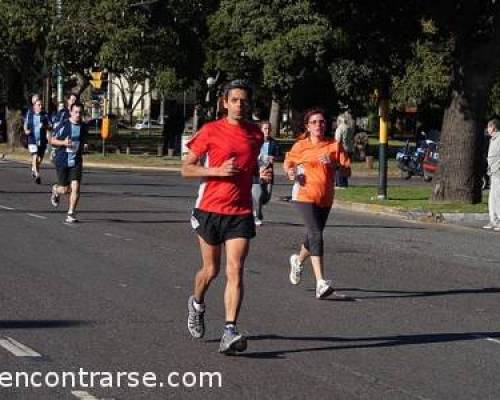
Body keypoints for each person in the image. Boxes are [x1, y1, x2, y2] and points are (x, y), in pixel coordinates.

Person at [181, 80, 272, 354]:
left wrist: (261, 175)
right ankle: (197, 303)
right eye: (234, 100)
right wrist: (218, 171)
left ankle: (229, 331)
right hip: (210, 209)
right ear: (225, 103)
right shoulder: (210, 130)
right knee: (211, 271)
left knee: (236, 269)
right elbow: (186, 169)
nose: (239, 105)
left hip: (240, 212)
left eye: (244, 100)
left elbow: (248, 168)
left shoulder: (256, 134)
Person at [284, 108, 350, 299]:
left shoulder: (334, 146)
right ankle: (320, 282)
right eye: (313, 122)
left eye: (321, 122)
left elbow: (347, 172)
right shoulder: (300, 146)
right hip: (303, 196)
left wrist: (333, 164)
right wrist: (290, 172)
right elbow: (289, 164)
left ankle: (298, 260)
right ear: (307, 126)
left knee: (313, 236)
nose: (318, 125)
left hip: (325, 198)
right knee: (316, 233)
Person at [49, 103, 87, 224]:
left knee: (76, 187)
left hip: (76, 160)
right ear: (70, 112)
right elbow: (52, 140)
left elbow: (84, 141)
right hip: (62, 160)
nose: (78, 115)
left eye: (80, 112)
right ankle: (55, 190)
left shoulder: (84, 127)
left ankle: (71, 213)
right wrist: (63, 143)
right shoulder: (64, 124)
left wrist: (84, 146)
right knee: (65, 190)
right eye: (75, 112)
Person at [251, 121, 280, 226]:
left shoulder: (273, 143)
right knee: (258, 196)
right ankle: (257, 216)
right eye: (265, 129)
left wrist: (274, 158)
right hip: (256, 172)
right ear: (261, 130)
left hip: (268, 172)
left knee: (266, 197)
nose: (267, 131)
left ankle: (258, 208)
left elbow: (279, 155)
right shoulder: (255, 142)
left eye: (269, 129)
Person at [23, 96, 51, 184]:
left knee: (39, 159)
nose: (40, 106)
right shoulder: (30, 113)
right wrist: (26, 130)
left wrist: (45, 127)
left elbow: (51, 126)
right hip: (32, 138)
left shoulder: (45, 115)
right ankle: (37, 174)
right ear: (34, 106)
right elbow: (25, 124)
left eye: (41, 105)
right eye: (39, 105)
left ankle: (33, 169)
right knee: (35, 156)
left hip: (42, 140)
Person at [483, 118, 500, 231]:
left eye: (489, 127)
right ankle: (493, 220)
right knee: (492, 198)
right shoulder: (492, 139)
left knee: (498, 197)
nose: (487, 129)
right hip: (492, 172)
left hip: (498, 172)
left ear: (493, 127)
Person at [334, 113, 354, 188]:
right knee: (346, 167)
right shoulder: (349, 128)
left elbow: (337, 140)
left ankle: (340, 184)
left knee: (339, 167)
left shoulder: (340, 128)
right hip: (349, 149)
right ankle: (345, 183)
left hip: (342, 150)